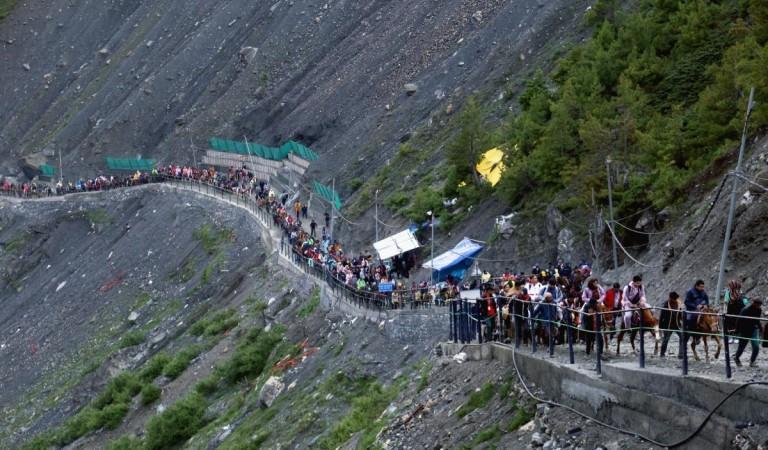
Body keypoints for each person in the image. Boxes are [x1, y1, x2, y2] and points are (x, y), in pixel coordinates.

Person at [733, 298, 763, 368]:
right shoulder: (745, 310)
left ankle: (752, 361)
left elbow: (757, 320)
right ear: (754, 303)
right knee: (741, 347)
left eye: (760, 305)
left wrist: (760, 329)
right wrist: (737, 330)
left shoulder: (759, 310)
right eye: (758, 305)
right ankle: (736, 358)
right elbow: (739, 320)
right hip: (745, 331)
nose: (759, 306)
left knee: (756, 346)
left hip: (754, 330)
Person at [659, 292, 682, 358]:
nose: (675, 300)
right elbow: (662, 316)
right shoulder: (666, 304)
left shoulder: (678, 304)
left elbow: (680, 314)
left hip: (677, 324)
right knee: (666, 339)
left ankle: (681, 354)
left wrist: (682, 321)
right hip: (667, 325)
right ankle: (662, 353)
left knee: (682, 337)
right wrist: (660, 326)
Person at [724, 280, 748, 344]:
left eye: (730, 286)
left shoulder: (740, 291)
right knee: (730, 324)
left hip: (738, 310)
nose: (729, 287)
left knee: (738, 323)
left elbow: (745, 300)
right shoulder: (728, 292)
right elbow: (726, 301)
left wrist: (744, 302)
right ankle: (731, 337)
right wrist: (725, 310)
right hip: (730, 310)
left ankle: (737, 337)